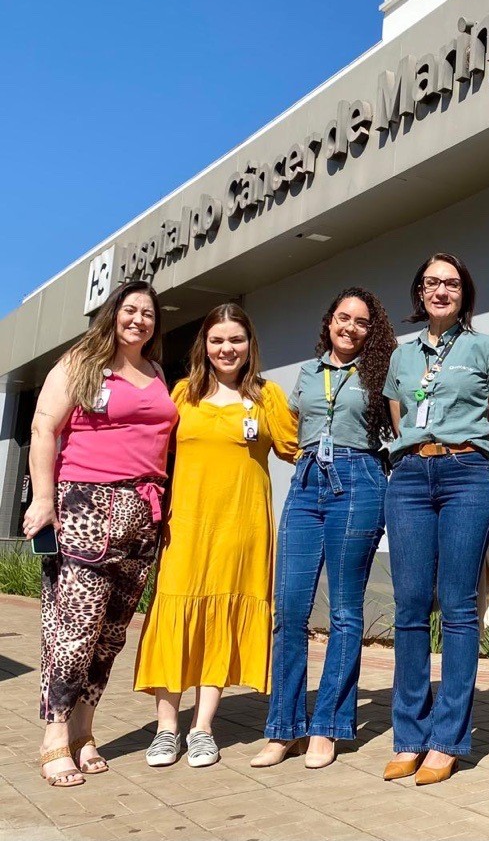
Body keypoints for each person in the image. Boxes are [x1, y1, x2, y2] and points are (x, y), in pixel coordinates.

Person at [22, 281, 178, 787]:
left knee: (111, 633)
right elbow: (44, 428)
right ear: (113, 314)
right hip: (87, 505)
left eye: (148, 313)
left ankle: (85, 730)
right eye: (130, 310)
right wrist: (43, 500)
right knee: (76, 628)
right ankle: (54, 735)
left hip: (143, 513)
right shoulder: (82, 362)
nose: (139, 320)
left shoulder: (156, 372)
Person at [134, 304, 297, 768]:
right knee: (174, 612)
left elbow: (297, 450)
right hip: (184, 526)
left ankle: (203, 727)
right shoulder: (182, 393)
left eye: (236, 340)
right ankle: (167, 728)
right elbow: (151, 453)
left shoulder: (268, 397)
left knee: (220, 619)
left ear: (250, 347)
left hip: (241, 530)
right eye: (218, 340)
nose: (227, 349)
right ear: (204, 345)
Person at [382, 253, 489, 785]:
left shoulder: (487, 349)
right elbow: (401, 420)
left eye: (452, 283)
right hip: (411, 476)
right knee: (411, 605)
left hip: (467, 473)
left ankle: (448, 740)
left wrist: (481, 459)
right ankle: (409, 735)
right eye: (432, 282)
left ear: (465, 293)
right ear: (419, 292)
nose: (441, 290)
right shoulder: (401, 357)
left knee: (459, 606)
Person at [251, 288, 395, 769]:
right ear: (328, 321)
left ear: (370, 331)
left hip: (359, 481)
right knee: (289, 610)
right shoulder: (308, 373)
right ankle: (283, 728)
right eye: (342, 317)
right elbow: (289, 429)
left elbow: (405, 424)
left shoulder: (380, 375)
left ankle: (327, 727)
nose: (349, 327)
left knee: (345, 613)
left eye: (360, 321)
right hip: (307, 482)